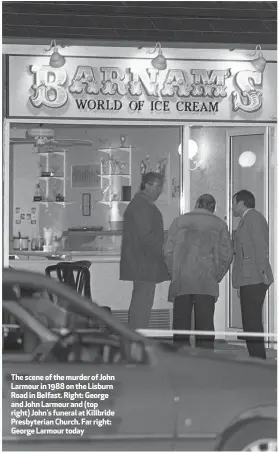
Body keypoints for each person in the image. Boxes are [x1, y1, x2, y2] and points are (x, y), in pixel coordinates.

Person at [164, 194, 233, 349]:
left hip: (182, 279)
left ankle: (181, 357)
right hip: (206, 280)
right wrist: (216, 275)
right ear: (213, 208)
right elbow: (227, 256)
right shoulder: (220, 225)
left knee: (181, 323)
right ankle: (206, 360)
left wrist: (174, 272)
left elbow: (167, 251)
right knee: (205, 325)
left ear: (196, 204)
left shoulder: (179, 222)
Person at [120, 172, 169, 330]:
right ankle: (137, 338)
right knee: (142, 304)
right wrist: (165, 249)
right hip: (144, 262)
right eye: (157, 186)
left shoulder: (141, 203)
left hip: (142, 262)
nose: (160, 190)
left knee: (141, 302)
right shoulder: (142, 205)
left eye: (161, 187)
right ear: (146, 185)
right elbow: (146, 236)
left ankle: (137, 337)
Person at [232, 190, 273, 359]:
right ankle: (256, 357)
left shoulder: (254, 218)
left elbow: (260, 248)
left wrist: (262, 275)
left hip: (254, 278)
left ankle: (259, 359)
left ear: (242, 203)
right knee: (250, 321)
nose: (232, 206)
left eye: (234, 202)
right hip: (248, 278)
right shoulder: (246, 219)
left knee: (252, 321)